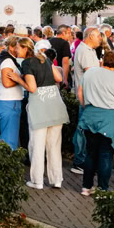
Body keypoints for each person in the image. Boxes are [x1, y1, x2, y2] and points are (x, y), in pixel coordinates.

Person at [74, 51, 114, 195]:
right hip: (110, 120)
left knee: (90, 153)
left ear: (103, 61)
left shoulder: (90, 73)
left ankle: (86, 187)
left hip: (90, 117)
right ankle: (102, 189)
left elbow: (80, 93)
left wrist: (86, 106)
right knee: (106, 155)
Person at [22, 37, 67, 190]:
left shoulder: (27, 63)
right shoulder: (46, 59)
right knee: (54, 145)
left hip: (39, 107)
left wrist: (19, 79)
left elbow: (32, 88)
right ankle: (57, 180)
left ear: (25, 49)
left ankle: (37, 181)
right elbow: (59, 78)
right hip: (55, 104)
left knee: (37, 145)